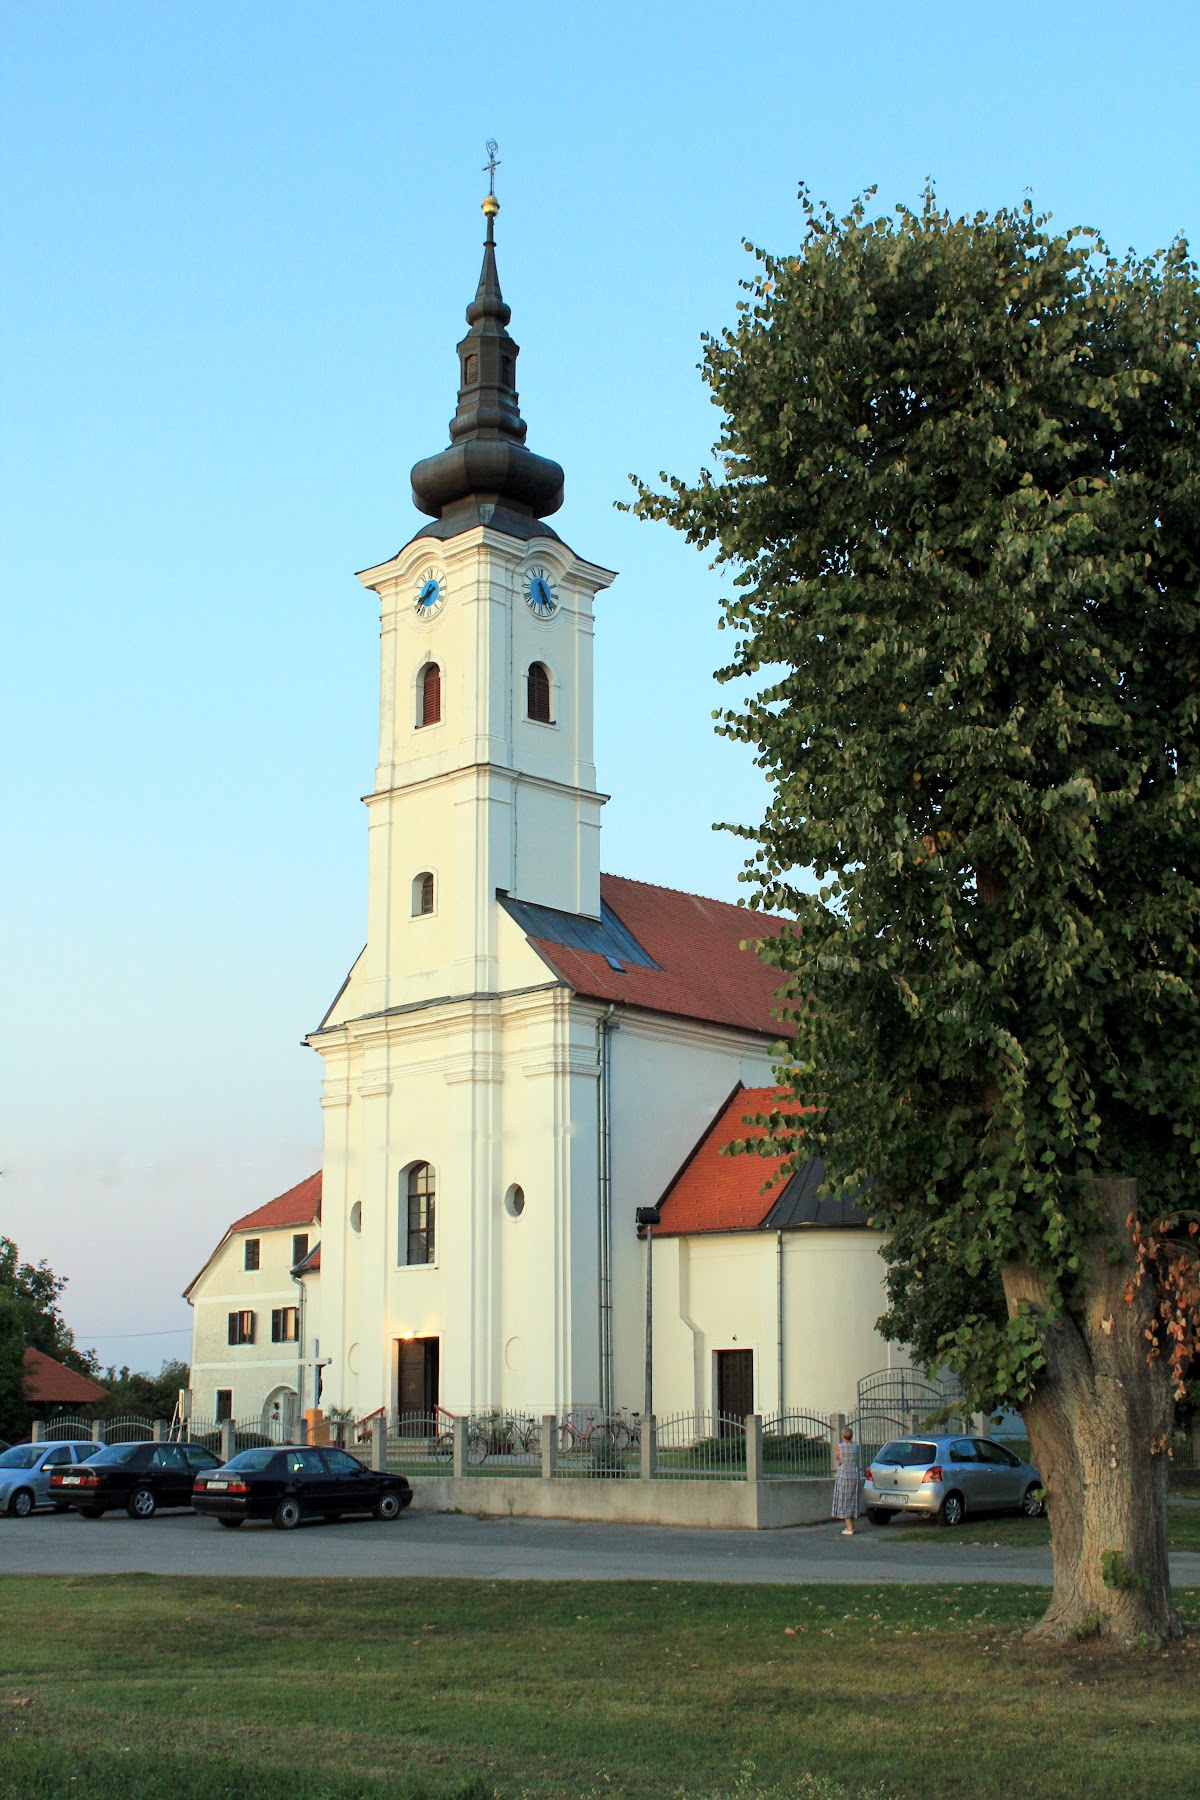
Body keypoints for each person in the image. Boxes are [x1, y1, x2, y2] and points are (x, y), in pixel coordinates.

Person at [831, 1426, 861, 1536]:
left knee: (844, 1499)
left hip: (844, 1473)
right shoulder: (856, 1447)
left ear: (843, 1435)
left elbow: (838, 1460)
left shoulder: (839, 1447)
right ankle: (851, 1525)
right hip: (854, 1473)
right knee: (853, 1498)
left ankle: (849, 1527)